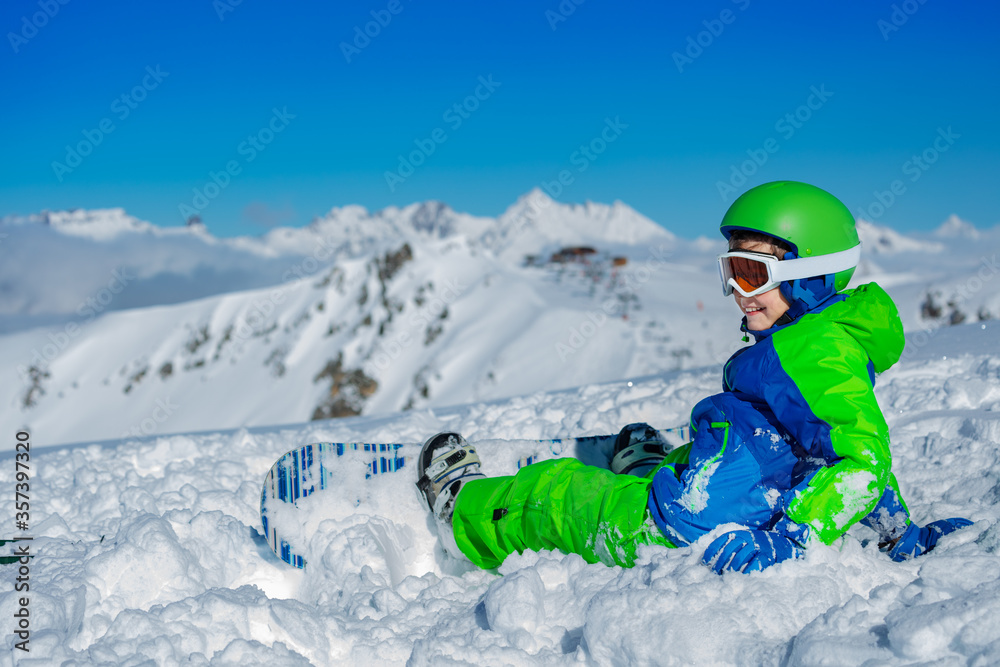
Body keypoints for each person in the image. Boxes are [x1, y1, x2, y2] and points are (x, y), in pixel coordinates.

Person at [416, 181, 972, 574]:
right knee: (708, 448)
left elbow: (863, 460)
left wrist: (795, 539)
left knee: (556, 495)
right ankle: (653, 472)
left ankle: (463, 510)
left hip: (687, 529)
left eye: (752, 272)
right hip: (728, 487)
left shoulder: (811, 352)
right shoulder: (814, 338)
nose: (736, 289)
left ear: (808, 277)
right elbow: (834, 443)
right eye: (730, 269)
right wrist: (895, 533)